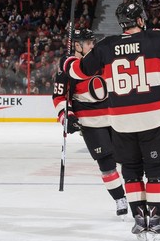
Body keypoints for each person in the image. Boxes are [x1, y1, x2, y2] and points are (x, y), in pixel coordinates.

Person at [60, 2, 160, 241]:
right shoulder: (156, 39)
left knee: (131, 172)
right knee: (155, 171)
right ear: (141, 20)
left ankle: (139, 221)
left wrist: (69, 61)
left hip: (121, 121)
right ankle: (155, 221)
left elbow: (76, 71)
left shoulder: (106, 47)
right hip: (151, 119)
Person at [52, 28, 128, 218]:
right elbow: (59, 95)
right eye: (88, 43)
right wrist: (65, 116)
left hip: (114, 116)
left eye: (93, 42)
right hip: (90, 121)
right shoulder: (67, 67)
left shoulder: (100, 59)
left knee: (129, 159)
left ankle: (136, 196)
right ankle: (120, 198)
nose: (93, 46)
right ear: (77, 45)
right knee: (107, 164)